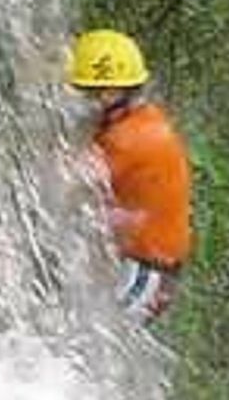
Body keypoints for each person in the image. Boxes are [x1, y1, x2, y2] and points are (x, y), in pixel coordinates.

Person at [68, 28, 193, 322]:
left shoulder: (129, 138)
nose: (79, 100)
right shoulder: (140, 119)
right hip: (135, 263)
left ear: (111, 93)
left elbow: (65, 180)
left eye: (86, 92)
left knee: (86, 337)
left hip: (146, 274)